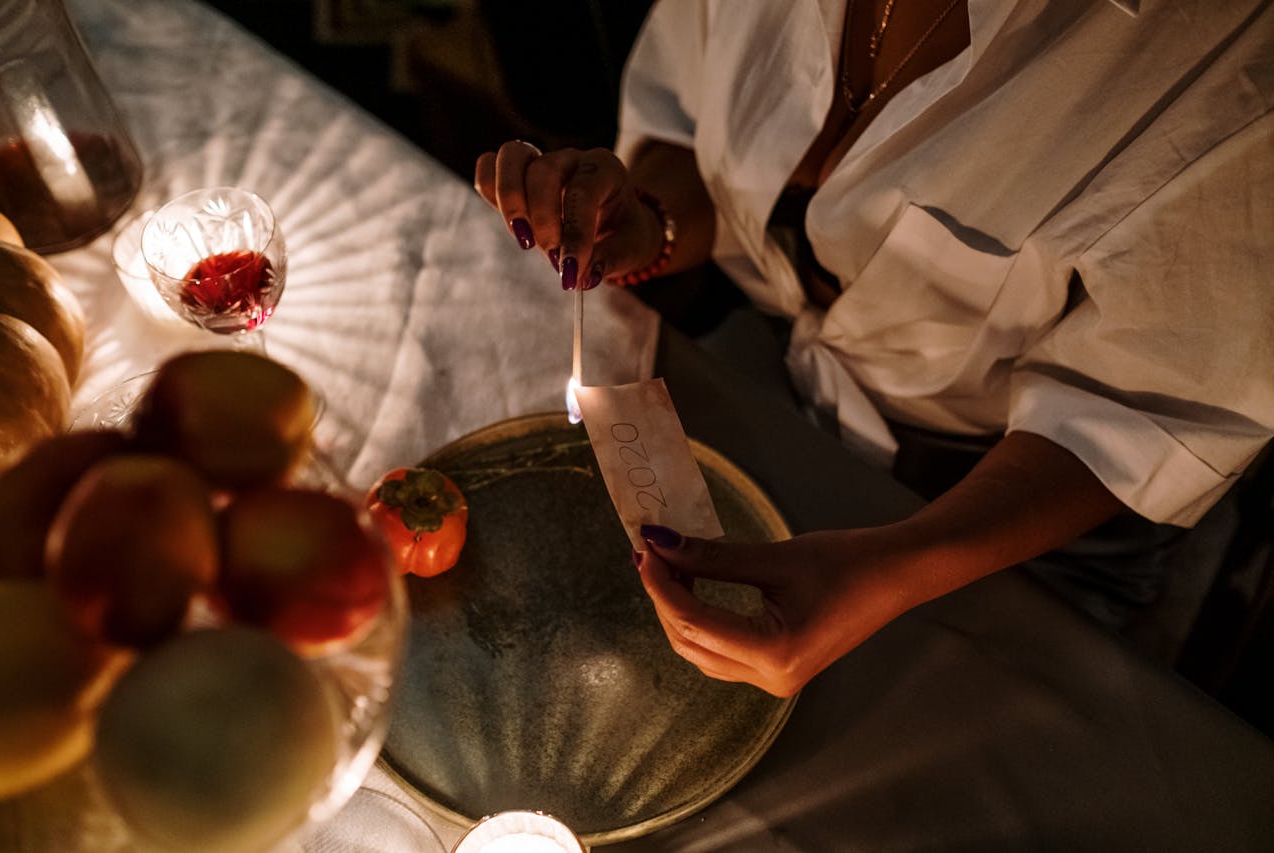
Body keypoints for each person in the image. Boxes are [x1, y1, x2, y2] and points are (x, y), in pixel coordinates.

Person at [474, 0, 1274, 697]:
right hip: (781, 383)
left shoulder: (1222, 50)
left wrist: (892, 570)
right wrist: (650, 222)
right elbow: (696, 135)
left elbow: (1143, 405)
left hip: (1005, 516)